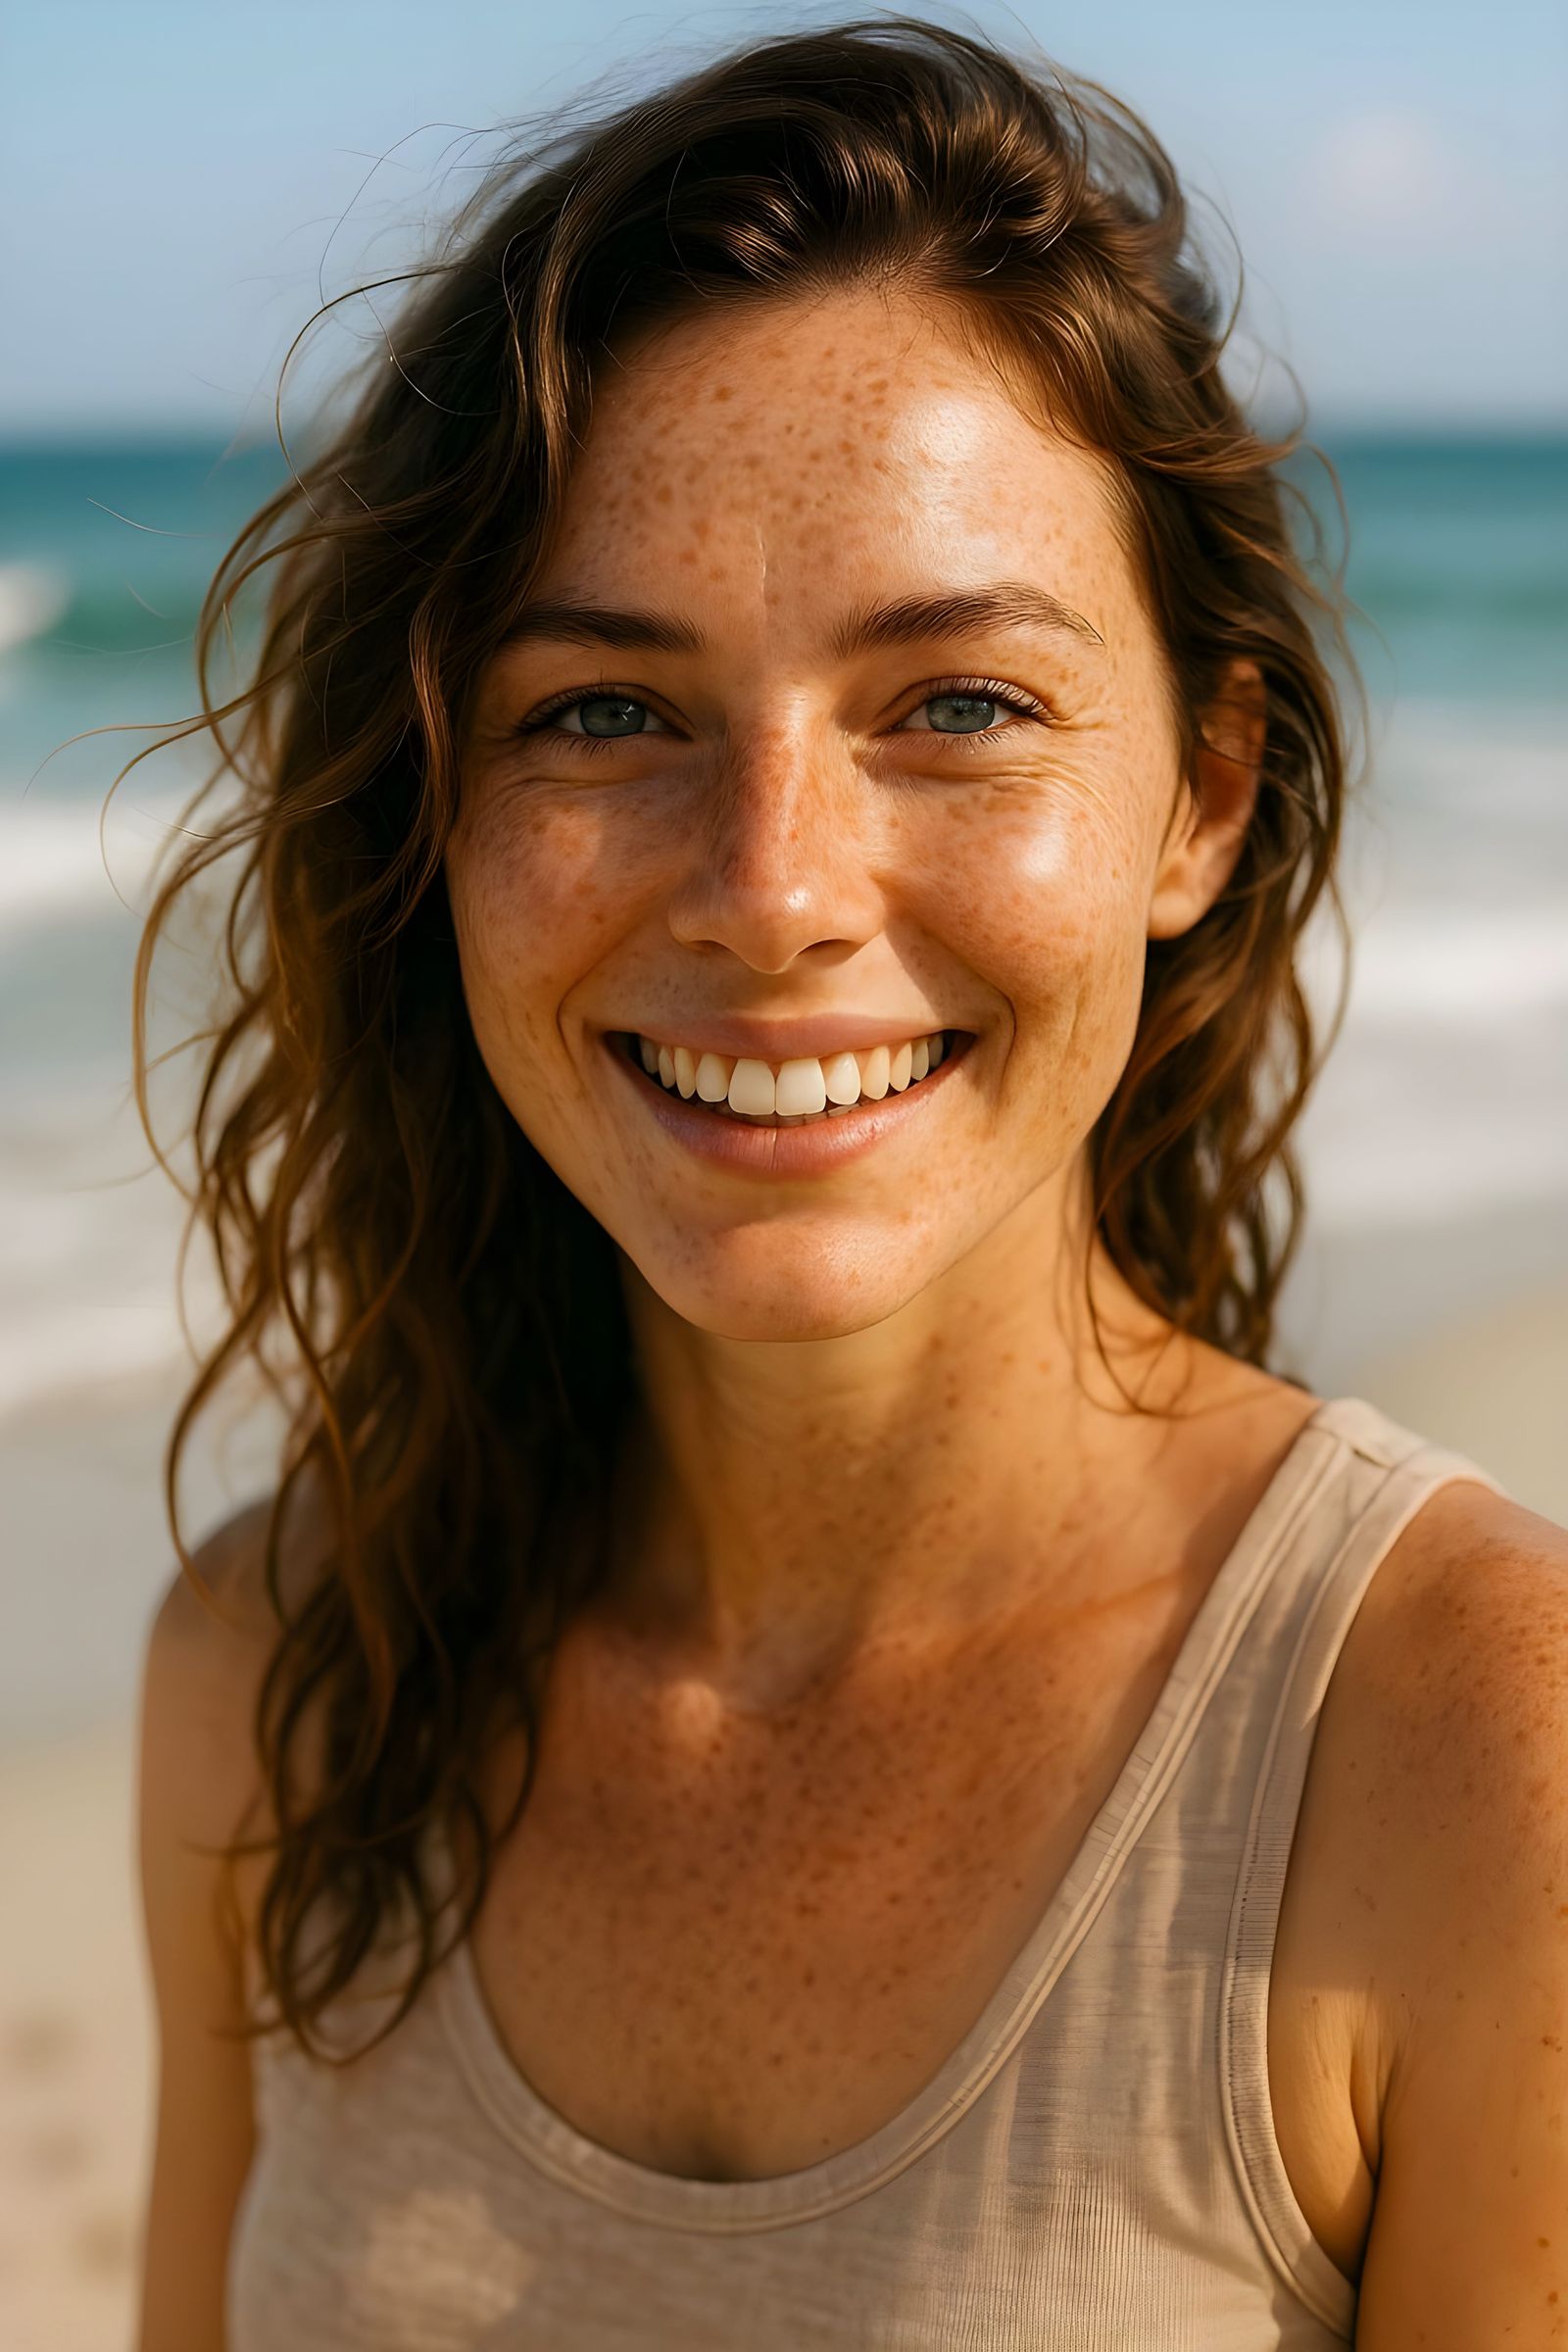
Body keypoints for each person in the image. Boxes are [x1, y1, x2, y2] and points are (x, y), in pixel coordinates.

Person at [130, 17, 1568, 2349]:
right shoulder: (278, 1678)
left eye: (956, 706)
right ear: (440, 820)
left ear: (1197, 797)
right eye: (602, 709)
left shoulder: (1474, 1747)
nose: (772, 890)